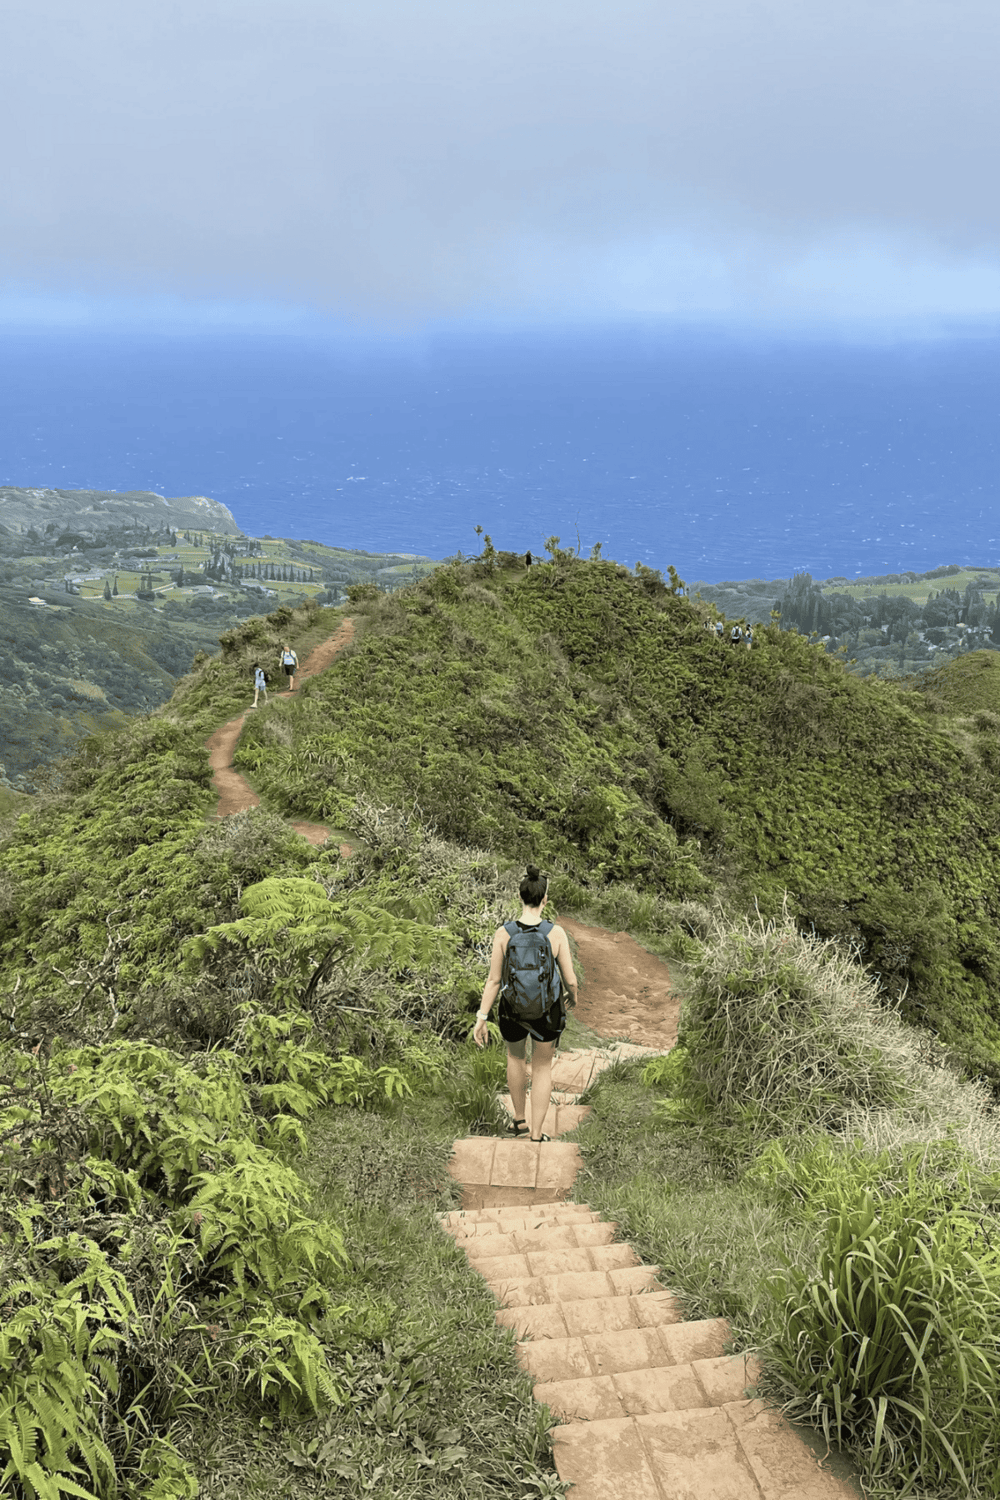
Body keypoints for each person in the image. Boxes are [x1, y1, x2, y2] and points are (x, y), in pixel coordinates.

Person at [474, 866, 578, 1142]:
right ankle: (535, 1134)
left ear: (520, 898)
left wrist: (481, 1018)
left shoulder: (503, 934)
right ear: (544, 899)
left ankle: (519, 1121)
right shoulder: (555, 934)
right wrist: (573, 997)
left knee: (515, 1058)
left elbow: (494, 981)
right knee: (543, 1066)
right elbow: (571, 980)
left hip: (512, 1009)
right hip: (547, 1011)